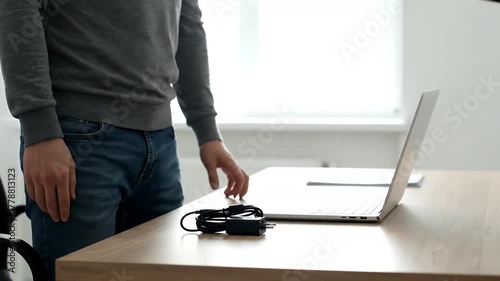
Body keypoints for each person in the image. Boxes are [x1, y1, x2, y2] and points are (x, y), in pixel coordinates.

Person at [0, 0, 249, 280]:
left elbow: (186, 21)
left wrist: (208, 132)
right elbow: (17, 6)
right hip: (74, 139)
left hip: (160, 141)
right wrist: (40, 130)